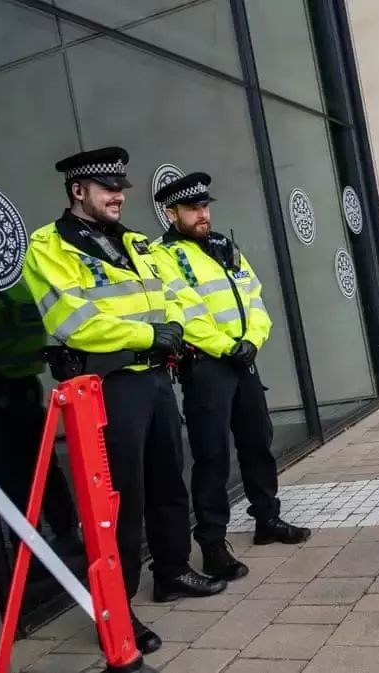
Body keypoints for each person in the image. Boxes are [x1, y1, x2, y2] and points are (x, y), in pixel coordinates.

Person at [22, 148, 225, 654]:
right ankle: (118, 609)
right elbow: (73, 320)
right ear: (77, 191)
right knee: (122, 503)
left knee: (167, 485)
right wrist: (145, 335)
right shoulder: (50, 246)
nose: (118, 196)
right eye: (107, 188)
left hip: (154, 378)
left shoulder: (133, 241)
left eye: (120, 188)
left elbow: (169, 298)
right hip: (107, 386)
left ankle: (174, 571)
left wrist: (173, 330)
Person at [150, 171, 310, 581]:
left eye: (205, 206)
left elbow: (254, 296)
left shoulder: (225, 246)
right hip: (207, 366)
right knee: (213, 455)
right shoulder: (163, 256)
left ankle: (267, 520)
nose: (202, 214)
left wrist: (252, 340)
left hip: (244, 360)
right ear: (171, 213)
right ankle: (212, 544)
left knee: (258, 443)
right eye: (192, 209)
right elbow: (181, 311)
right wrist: (226, 346)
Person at [0, 282, 81, 556]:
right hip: (26, 386)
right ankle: (66, 531)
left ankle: (27, 548)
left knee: (11, 475)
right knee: (45, 466)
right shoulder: (25, 290)